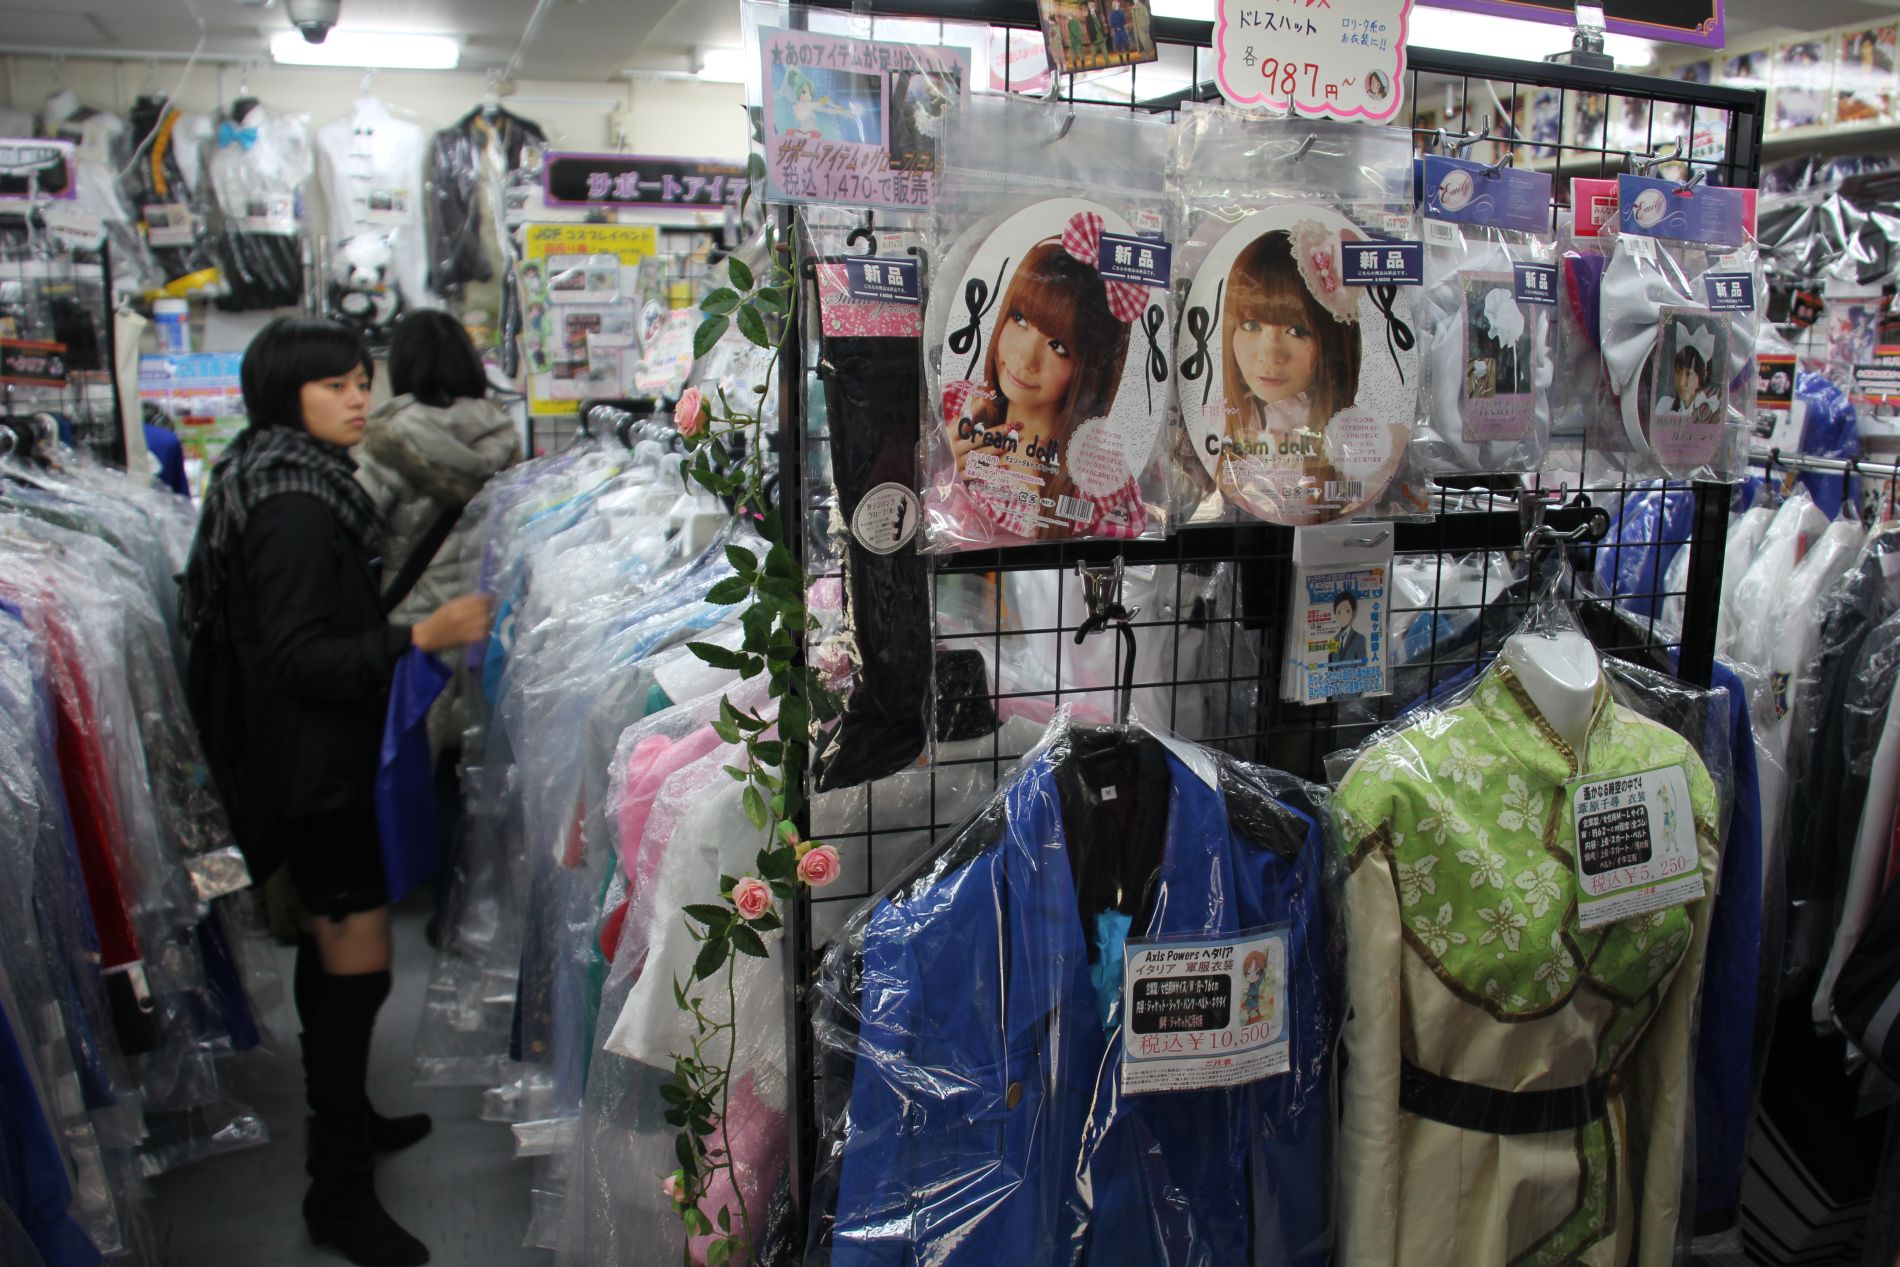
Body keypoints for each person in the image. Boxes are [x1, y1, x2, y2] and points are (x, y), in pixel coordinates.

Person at [180, 317, 493, 1267]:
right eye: (336, 385)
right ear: (289, 395)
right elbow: (298, 659)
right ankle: (338, 1189)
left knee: (337, 953)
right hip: (312, 771)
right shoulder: (295, 506)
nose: (359, 397)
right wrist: (419, 636)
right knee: (357, 962)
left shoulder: (271, 474)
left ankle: (349, 1120)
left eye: (363, 380)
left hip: (303, 761)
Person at [945, 234, 1142, 542]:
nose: (1025, 358)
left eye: (1057, 346)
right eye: (1020, 319)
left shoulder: (1097, 478)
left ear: (1090, 369)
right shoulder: (956, 406)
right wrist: (947, 469)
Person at [1218, 227, 1362, 524]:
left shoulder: (1356, 450)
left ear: (1331, 339)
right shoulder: (1219, 430)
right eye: (1250, 325)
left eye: (1296, 331)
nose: (1270, 354)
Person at [1657, 324, 1721, 425]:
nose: (1682, 383)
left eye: (1689, 374)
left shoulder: (1712, 405)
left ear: (1703, 375)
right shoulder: (1664, 406)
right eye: (1678, 372)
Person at [1329, 591, 1369, 665]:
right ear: (1335, 614)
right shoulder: (1332, 641)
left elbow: (1363, 665)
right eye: (1339, 612)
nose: (1343, 617)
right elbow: (1330, 667)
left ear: (1353, 613)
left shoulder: (1360, 638)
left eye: (1347, 611)